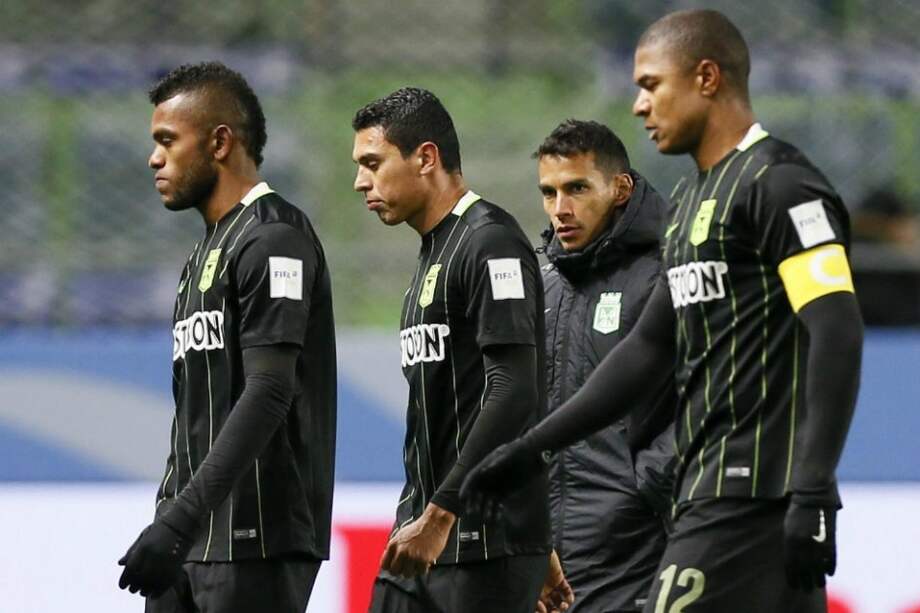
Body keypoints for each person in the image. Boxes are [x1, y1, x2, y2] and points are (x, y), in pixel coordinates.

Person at [462, 10, 863, 613]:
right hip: (709, 499)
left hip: (752, 497)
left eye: (651, 85)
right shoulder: (692, 201)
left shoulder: (781, 184)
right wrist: (530, 448)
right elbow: (646, 351)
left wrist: (813, 488)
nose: (639, 105)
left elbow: (836, 329)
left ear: (706, 78)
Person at [117, 61, 337, 613]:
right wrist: (171, 517)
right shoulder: (201, 257)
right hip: (189, 539)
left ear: (219, 142)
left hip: (256, 539)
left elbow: (268, 391)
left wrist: (181, 518)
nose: (154, 158)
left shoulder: (274, 237)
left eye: (168, 141)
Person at [351, 86, 551, 612]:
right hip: (422, 534)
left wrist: (443, 515)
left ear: (426, 157)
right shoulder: (432, 254)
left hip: (477, 541)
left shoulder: (491, 243)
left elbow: (514, 389)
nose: (360, 182)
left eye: (373, 162)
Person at [534, 119, 677, 613]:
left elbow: (711, 394)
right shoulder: (542, 281)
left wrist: (651, 485)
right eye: (549, 193)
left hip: (639, 551)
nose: (560, 209)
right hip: (549, 557)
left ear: (620, 188)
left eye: (577, 188)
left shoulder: (668, 271)